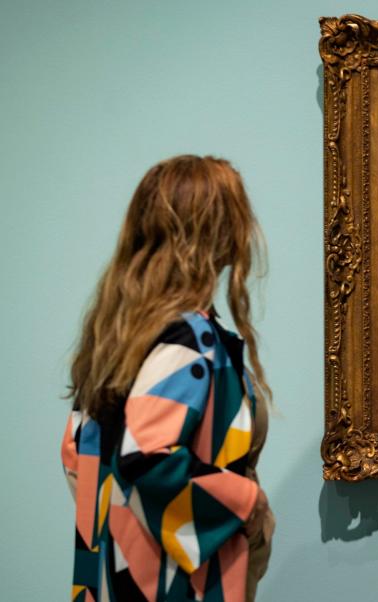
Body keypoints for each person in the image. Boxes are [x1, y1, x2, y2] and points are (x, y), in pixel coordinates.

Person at [61, 155, 274, 602]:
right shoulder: (189, 341)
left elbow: (78, 455)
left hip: (113, 579)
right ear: (218, 234)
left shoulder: (121, 335)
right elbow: (146, 459)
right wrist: (247, 502)